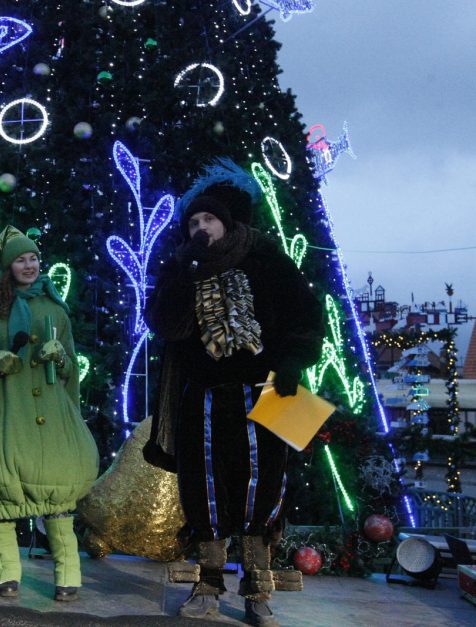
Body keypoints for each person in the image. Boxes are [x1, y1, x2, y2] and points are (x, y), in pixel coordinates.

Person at [144, 159, 323, 626]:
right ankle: (207, 582)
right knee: (204, 491)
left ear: (228, 221)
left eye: (209, 219)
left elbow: (304, 317)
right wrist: (184, 273)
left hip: (262, 394)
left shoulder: (267, 260)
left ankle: (258, 591)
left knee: (260, 491)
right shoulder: (182, 267)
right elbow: (163, 324)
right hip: (202, 397)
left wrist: (290, 361)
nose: (201, 227)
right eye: (194, 222)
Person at [0, 226, 99, 602]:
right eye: (20, 259)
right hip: (0, 415)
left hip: (45, 414)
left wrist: (59, 356)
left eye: (33, 258)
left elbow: (69, 371)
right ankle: (7, 574)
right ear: (8, 266)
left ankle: (68, 575)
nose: (29, 265)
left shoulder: (54, 308)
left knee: (57, 495)